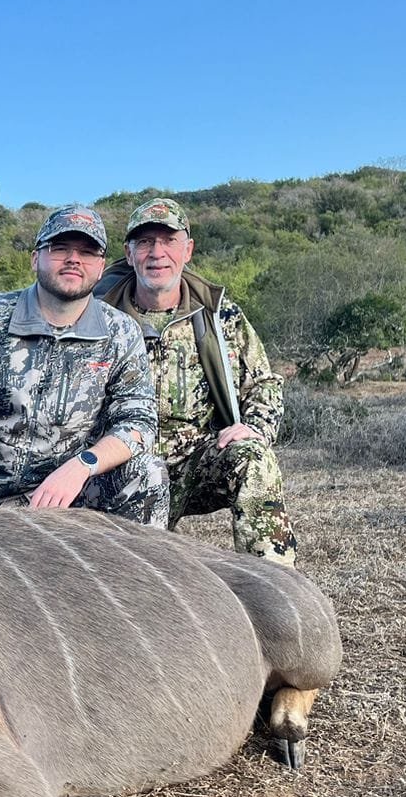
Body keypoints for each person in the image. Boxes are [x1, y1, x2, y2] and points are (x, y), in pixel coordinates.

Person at [0, 205, 168, 525]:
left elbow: (139, 424)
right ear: (35, 258)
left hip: (75, 491)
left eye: (87, 251)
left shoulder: (121, 331)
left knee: (147, 472)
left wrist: (83, 465)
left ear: (101, 267)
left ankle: (138, 576)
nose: (73, 259)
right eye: (60, 248)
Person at [96, 197, 295, 564]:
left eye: (168, 241)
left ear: (187, 250)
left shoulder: (221, 316)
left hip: (195, 461)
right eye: (145, 242)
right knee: (128, 569)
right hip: (120, 465)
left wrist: (255, 428)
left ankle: (277, 588)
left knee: (253, 458)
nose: (157, 253)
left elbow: (264, 382)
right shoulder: (97, 316)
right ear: (129, 253)